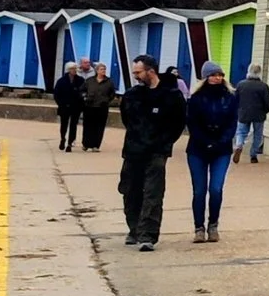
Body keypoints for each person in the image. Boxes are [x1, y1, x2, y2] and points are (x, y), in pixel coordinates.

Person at [117, 55, 184, 251]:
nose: (135, 76)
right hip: (133, 151)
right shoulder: (131, 95)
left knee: (153, 193)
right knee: (130, 191)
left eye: (138, 73)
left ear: (151, 71)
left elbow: (178, 124)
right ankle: (134, 229)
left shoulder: (171, 95)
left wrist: (163, 143)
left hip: (156, 152)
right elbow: (126, 120)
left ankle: (148, 234)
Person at [184, 63, 238, 242]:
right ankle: (198, 227)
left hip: (221, 149)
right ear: (206, 77)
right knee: (199, 190)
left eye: (220, 74)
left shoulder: (229, 97)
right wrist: (205, 141)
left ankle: (213, 224)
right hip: (198, 149)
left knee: (215, 188)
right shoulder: (196, 98)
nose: (218, 77)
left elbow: (232, 123)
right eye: (214, 75)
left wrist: (220, 141)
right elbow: (192, 123)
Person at [233, 64, 269, 163]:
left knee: (241, 132)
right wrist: (265, 111)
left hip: (243, 112)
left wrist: (237, 110)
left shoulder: (241, 84)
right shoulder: (263, 86)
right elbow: (268, 101)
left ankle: (239, 145)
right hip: (259, 114)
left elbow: (235, 99)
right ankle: (253, 155)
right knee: (257, 135)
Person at [51, 60, 88, 149]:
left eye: (75, 68)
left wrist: (82, 103)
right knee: (64, 124)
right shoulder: (61, 81)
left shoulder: (80, 80)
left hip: (76, 106)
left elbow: (84, 92)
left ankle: (70, 142)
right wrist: (60, 104)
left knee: (73, 125)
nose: (74, 70)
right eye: (72, 69)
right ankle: (63, 138)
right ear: (68, 70)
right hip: (64, 106)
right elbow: (56, 94)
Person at [80, 62, 116, 152]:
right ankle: (86, 144)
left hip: (102, 107)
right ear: (97, 71)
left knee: (99, 126)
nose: (103, 71)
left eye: (104, 69)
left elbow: (112, 94)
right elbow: (82, 90)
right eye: (101, 69)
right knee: (88, 125)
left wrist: (107, 100)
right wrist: (85, 97)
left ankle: (96, 145)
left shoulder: (109, 82)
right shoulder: (90, 80)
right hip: (89, 106)